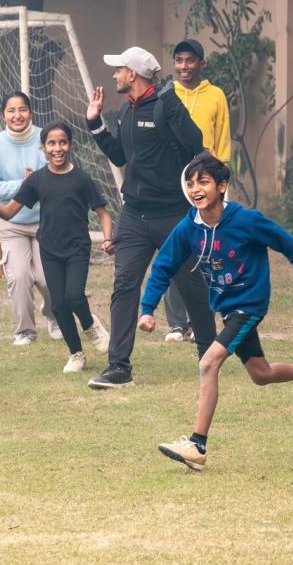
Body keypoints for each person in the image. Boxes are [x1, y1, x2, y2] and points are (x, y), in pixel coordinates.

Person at [142, 153, 293, 471]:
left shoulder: (247, 220)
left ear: (221, 186)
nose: (195, 189)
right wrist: (147, 308)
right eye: (190, 184)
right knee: (261, 374)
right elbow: (164, 265)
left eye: (202, 182)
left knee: (208, 362)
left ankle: (197, 445)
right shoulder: (189, 226)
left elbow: (288, 244)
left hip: (250, 305)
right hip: (228, 309)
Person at [84, 45, 216, 389]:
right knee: (124, 285)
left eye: (119, 69)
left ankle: (208, 354)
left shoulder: (164, 105)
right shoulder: (127, 113)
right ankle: (118, 367)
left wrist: (172, 103)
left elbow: (195, 141)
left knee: (191, 287)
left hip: (174, 216)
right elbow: (119, 156)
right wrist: (95, 124)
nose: (114, 75)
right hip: (134, 216)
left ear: (134, 74)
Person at [0, 123, 113, 373]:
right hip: (49, 249)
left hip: (77, 248)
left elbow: (103, 214)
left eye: (62, 142)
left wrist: (107, 238)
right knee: (59, 305)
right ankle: (76, 354)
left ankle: (91, 326)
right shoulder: (37, 179)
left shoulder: (81, 178)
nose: (57, 148)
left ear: (70, 145)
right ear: (43, 147)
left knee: (74, 296)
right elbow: (9, 211)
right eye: (51, 143)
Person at [160, 38, 233, 345]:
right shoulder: (165, 95)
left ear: (202, 64)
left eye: (190, 60)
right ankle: (176, 323)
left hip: (206, 184)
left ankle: (199, 318)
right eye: (179, 60)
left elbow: (223, 142)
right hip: (171, 185)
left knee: (205, 250)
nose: (184, 66)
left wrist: (222, 186)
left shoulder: (215, 95)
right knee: (175, 249)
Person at [0, 92, 57, 346]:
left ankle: (54, 317)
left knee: (48, 278)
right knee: (20, 276)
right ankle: (25, 331)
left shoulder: (44, 138)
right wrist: (24, 183)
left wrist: (33, 182)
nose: (17, 115)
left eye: (23, 109)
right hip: (11, 224)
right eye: (11, 110)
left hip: (45, 221)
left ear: (31, 112)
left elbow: (51, 177)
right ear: (4, 115)